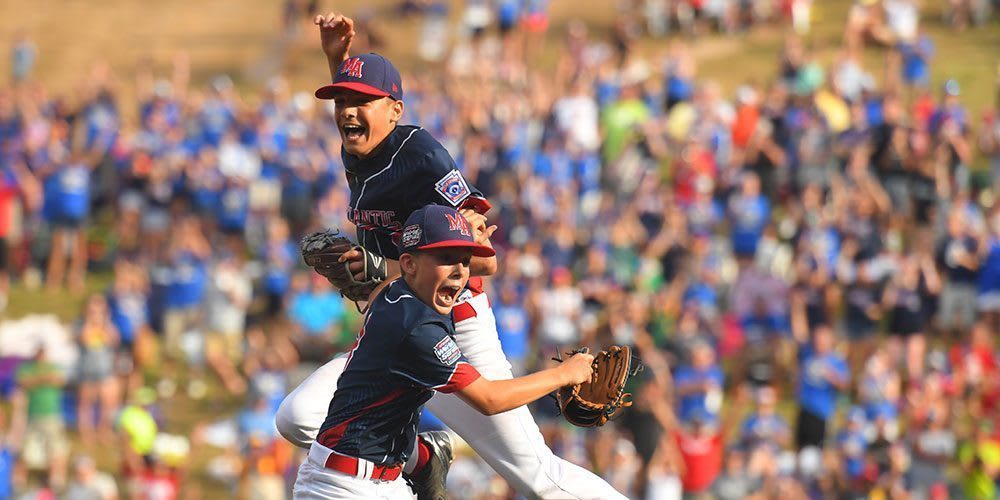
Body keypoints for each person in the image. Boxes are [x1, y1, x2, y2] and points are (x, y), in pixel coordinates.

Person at [276, 13, 629, 499]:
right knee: (296, 418)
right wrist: (337, 58)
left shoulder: (422, 155)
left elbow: (484, 261)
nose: (347, 112)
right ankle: (423, 456)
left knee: (539, 479)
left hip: (454, 327)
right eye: (341, 101)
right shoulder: (356, 149)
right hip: (395, 328)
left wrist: (382, 266)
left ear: (396, 110)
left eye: (361, 101)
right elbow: (357, 113)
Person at [291, 205, 596, 499]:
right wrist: (564, 374)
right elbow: (490, 399)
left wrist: (459, 226)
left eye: (464, 261)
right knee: (295, 417)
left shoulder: (398, 291)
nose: (458, 272)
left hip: (385, 481)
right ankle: (424, 457)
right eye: (445, 258)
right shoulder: (417, 329)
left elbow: (472, 267)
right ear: (409, 264)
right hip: (340, 487)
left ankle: (423, 457)